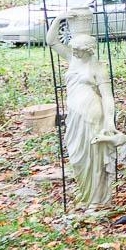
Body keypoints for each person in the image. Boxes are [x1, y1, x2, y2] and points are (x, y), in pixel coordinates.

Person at [46, 16, 118, 206]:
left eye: (79, 51)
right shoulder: (71, 58)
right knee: (78, 158)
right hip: (74, 114)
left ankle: (96, 199)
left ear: (89, 50)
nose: (75, 53)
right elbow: (51, 41)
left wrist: (110, 122)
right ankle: (86, 194)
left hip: (92, 115)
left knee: (93, 157)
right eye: (74, 50)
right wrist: (59, 19)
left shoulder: (99, 67)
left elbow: (108, 96)